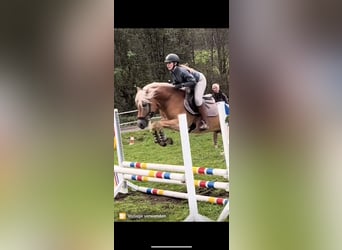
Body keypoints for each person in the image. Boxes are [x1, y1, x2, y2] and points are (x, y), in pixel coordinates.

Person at [164, 53, 209, 130]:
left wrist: (181, 85)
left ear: (175, 63)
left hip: (199, 81)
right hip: (189, 83)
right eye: (167, 63)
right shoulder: (173, 71)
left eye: (169, 63)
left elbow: (193, 81)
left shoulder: (181, 71)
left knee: (197, 100)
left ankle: (205, 122)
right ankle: (192, 121)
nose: (168, 65)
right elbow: (176, 83)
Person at [211, 83, 229, 148]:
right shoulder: (212, 97)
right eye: (213, 88)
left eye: (215, 88)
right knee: (215, 130)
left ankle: (226, 142)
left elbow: (227, 104)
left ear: (218, 88)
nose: (214, 89)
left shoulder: (223, 95)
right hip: (216, 115)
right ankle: (215, 144)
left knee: (225, 129)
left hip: (224, 114)